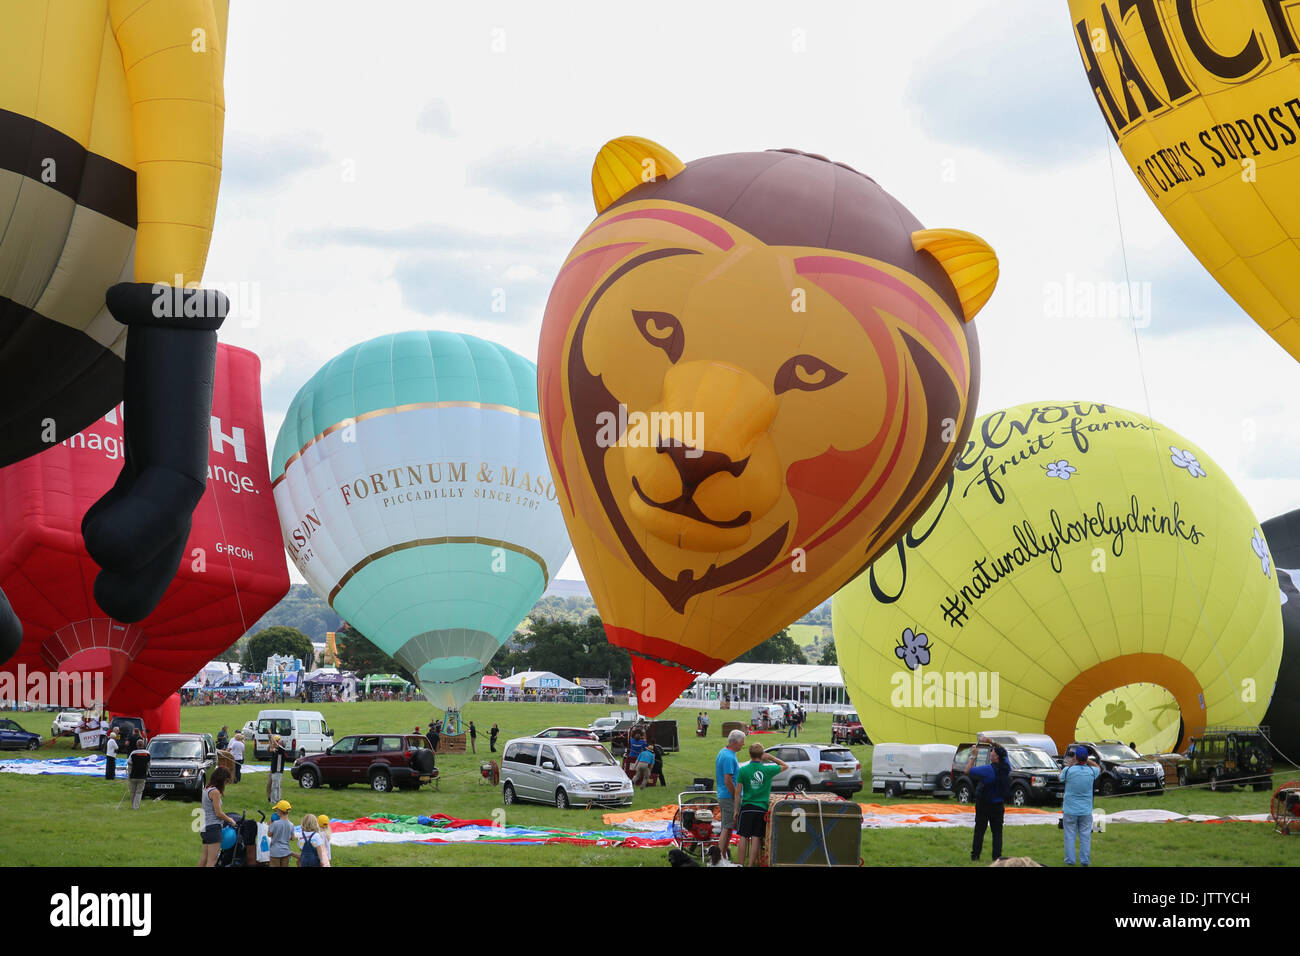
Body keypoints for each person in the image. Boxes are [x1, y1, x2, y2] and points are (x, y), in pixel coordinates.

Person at [735, 743, 789, 867]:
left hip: (747, 807)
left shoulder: (743, 770)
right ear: (762, 755)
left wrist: (736, 809)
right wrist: (770, 757)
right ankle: (751, 864)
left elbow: (738, 792)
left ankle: (740, 864)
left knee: (743, 836)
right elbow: (785, 766)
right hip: (761, 808)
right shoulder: (767, 769)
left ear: (749, 754)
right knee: (756, 837)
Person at [966, 743, 1011, 862]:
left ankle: (975, 856)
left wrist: (973, 756)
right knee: (997, 833)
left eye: (992, 751)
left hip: (984, 804)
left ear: (996, 757)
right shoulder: (1006, 766)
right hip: (999, 804)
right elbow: (1004, 750)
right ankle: (997, 858)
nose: (990, 752)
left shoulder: (988, 770)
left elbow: (968, 770)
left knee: (980, 830)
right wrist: (989, 740)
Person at [1061, 746, 1101, 866]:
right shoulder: (1091, 771)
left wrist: (1071, 762)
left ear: (1076, 757)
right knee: (1085, 837)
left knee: (1069, 836)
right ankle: (1084, 860)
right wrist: (1087, 761)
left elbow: (1061, 776)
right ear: (1086, 758)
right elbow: (1098, 768)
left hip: (1070, 809)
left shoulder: (1068, 771)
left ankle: (1070, 860)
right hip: (1086, 810)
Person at [715, 729, 746, 861]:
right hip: (728, 796)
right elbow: (728, 780)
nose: (743, 745)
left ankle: (722, 856)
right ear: (736, 742)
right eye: (742, 742)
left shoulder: (724, 752)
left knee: (727, 827)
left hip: (724, 795)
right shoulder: (728, 757)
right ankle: (718, 859)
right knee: (727, 828)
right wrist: (735, 796)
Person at [198, 768, 236, 867]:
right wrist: (230, 820)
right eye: (226, 781)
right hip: (213, 828)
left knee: (204, 858)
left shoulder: (206, 789)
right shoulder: (215, 792)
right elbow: (218, 813)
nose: (226, 784)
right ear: (222, 779)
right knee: (212, 860)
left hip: (205, 827)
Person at [268, 800, 298, 867]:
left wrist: (270, 824)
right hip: (286, 852)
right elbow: (292, 838)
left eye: (276, 810)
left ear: (279, 811)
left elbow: (269, 834)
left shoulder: (275, 823)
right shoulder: (291, 824)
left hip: (275, 852)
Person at [126, 735, 150, 809]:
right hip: (142, 775)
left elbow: (129, 762)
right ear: (143, 745)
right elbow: (149, 764)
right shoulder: (147, 754)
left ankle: (133, 805)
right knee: (139, 792)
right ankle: (135, 807)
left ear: (136, 745)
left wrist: (129, 773)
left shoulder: (133, 753)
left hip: (133, 775)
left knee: (132, 791)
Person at [266, 734, 286, 804]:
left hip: (277, 770)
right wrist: (270, 739)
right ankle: (276, 799)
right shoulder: (277, 749)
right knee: (275, 786)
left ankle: (275, 801)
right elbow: (271, 748)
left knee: (275, 786)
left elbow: (275, 744)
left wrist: (271, 736)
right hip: (275, 770)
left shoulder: (281, 749)